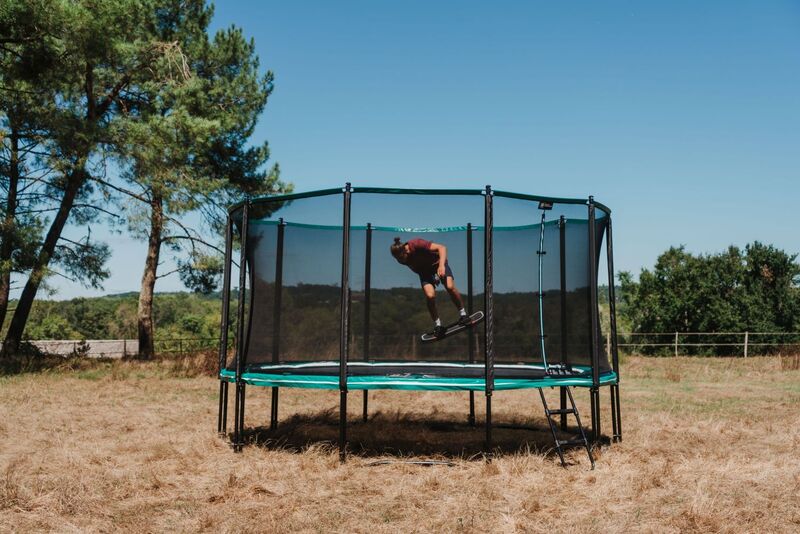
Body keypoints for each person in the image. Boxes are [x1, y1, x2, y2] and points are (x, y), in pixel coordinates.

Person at [390, 236, 471, 337]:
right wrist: (433, 278)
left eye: (401, 257)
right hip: (424, 272)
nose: (401, 260)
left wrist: (441, 266)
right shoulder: (401, 260)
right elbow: (416, 269)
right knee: (430, 296)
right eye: (398, 258)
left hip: (438, 263)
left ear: (405, 250)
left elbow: (442, 248)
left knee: (449, 286)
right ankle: (438, 325)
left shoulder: (417, 243)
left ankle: (463, 314)